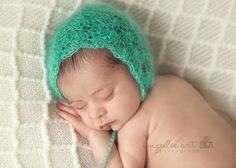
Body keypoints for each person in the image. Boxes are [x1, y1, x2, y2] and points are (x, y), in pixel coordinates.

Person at [45, 2, 236, 168]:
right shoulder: (176, 84)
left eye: (106, 95)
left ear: (135, 67)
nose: (96, 113)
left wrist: (95, 136)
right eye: (80, 106)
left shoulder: (134, 124)